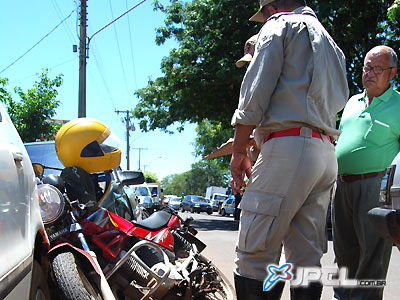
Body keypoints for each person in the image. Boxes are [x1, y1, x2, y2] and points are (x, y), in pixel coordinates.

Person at [230, 0, 349, 299]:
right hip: (323, 152)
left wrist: (239, 150)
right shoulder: (333, 45)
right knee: (305, 259)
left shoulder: (279, 25)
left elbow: (255, 92)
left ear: (271, 8)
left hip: (288, 147)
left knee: (254, 254)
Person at [332, 45, 400, 300]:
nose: (369, 73)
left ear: (392, 72)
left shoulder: (398, 104)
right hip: (341, 185)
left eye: (377, 69)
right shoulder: (351, 102)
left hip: (376, 186)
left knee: (373, 253)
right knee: (343, 251)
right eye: (366, 68)